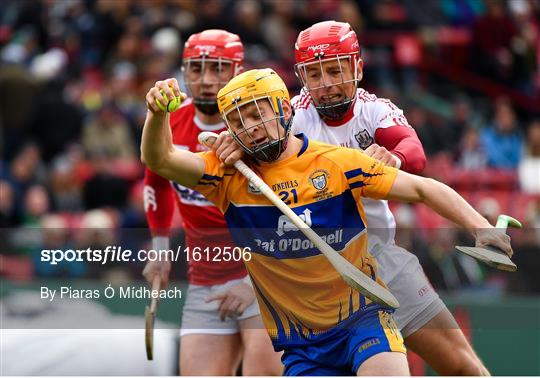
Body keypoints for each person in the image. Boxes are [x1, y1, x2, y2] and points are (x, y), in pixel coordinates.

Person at [141, 68, 513, 376]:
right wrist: (158, 115)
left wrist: (481, 226)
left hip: (363, 317)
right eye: (238, 121)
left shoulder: (336, 163)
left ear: (284, 111)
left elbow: (423, 188)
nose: (250, 127)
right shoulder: (226, 176)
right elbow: (161, 160)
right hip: (301, 344)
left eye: (258, 114)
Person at [288, 20, 492, 375]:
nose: (326, 85)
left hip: (381, 259)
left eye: (335, 70)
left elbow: (414, 150)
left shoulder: (373, 109)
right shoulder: (291, 116)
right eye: (315, 74)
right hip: (316, 276)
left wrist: (394, 157)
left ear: (358, 68)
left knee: (463, 367)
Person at [141, 30, 281, 376]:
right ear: (184, 71)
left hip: (270, 277)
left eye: (218, 69)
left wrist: (254, 283)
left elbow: (292, 208)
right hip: (205, 278)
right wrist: (159, 246)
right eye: (197, 69)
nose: (206, 81)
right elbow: (156, 179)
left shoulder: (261, 126)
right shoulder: (172, 120)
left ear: (237, 71)